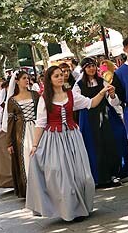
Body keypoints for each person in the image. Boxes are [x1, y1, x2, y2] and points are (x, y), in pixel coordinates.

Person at [25, 65, 110, 222]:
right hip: (54, 139)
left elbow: (91, 103)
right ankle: (70, 210)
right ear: (49, 80)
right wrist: (35, 146)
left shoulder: (71, 95)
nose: (60, 77)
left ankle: (82, 205)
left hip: (73, 137)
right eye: (56, 76)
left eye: (61, 74)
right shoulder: (45, 99)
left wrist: (103, 92)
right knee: (61, 175)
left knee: (83, 176)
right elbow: (41, 123)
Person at [74, 57, 128, 188]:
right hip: (88, 117)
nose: (92, 69)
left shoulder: (102, 81)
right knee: (93, 146)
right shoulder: (78, 86)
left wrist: (112, 94)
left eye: (93, 66)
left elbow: (113, 102)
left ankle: (113, 174)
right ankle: (97, 177)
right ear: (84, 69)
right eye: (88, 67)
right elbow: (77, 102)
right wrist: (93, 101)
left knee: (110, 143)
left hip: (105, 115)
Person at [5, 70, 38, 199]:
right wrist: (9, 142)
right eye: (24, 78)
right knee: (27, 159)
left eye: (28, 78)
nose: (27, 80)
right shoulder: (12, 101)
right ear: (17, 81)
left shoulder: (35, 95)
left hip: (37, 129)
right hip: (22, 133)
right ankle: (31, 189)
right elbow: (10, 122)